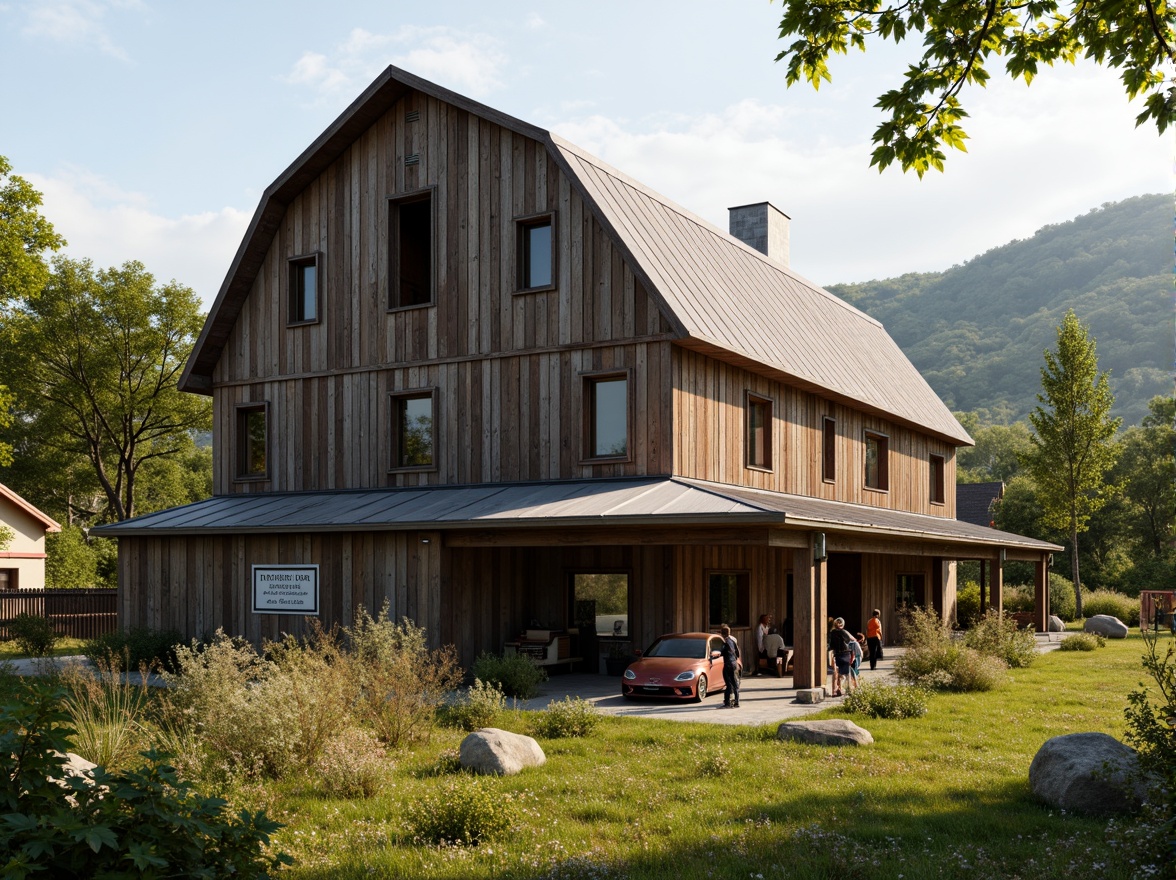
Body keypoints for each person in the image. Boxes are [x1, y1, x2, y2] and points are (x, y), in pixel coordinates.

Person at [827, 617, 855, 697]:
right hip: (845, 654)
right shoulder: (844, 632)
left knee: (836, 673)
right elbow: (851, 640)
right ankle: (847, 688)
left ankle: (835, 690)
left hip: (837, 654)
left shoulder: (832, 633)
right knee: (846, 672)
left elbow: (831, 645)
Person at [719, 624, 741, 708]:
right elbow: (738, 654)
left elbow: (721, 653)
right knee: (735, 684)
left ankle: (727, 703)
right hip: (734, 664)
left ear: (722, 634)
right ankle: (737, 702)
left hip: (728, 665)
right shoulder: (733, 642)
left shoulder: (724, 643)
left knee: (728, 684)